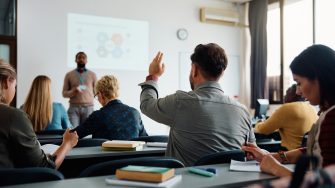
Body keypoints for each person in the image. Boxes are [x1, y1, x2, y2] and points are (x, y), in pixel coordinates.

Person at [139, 43, 255, 166]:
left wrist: (154, 76)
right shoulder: (243, 111)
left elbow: (147, 104)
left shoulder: (181, 102)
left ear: (194, 69)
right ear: (222, 73)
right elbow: (253, 153)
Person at [242, 44, 335, 177]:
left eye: (299, 83)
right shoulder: (324, 112)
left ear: (317, 78)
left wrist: (276, 169)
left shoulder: (332, 117)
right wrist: (274, 157)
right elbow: (314, 152)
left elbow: (326, 184)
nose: (298, 91)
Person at [0, 60, 78, 169]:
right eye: (15, 86)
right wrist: (68, 144)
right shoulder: (14, 116)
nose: (15, 90)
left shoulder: (23, 108)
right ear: (6, 82)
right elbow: (44, 166)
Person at [74, 75, 147, 139]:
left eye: (96, 95)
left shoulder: (98, 116)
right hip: (132, 155)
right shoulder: (134, 113)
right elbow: (146, 138)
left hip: (104, 155)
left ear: (100, 94)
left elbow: (74, 135)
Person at [254, 84, 318, 151]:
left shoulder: (287, 108)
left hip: (291, 153)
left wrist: (258, 123)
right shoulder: (311, 107)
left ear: (289, 95)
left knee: (261, 150)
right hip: (308, 151)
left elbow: (263, 130)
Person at [62, 52, 97, 127]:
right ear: (75, 60)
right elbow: (64, 93)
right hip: (74, 108)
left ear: (86, 60)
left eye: (83, 58)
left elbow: (96, 92)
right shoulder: (69, 75)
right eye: (79, 58)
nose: (81, 59)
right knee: (73, 132)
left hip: (89, 108)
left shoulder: (93, 75)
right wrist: (73, 91)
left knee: (87, 133)